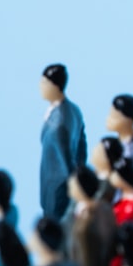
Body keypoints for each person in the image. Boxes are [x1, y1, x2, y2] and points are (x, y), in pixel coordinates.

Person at [39, 64, 88, 220]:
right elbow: (82, 147)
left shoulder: (58, 124)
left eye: (44, 83)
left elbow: (67, 158)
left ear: (55, 86)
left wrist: (75, 183)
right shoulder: (74, 110)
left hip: (57, 188)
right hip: (57, 185)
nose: (40, 87)